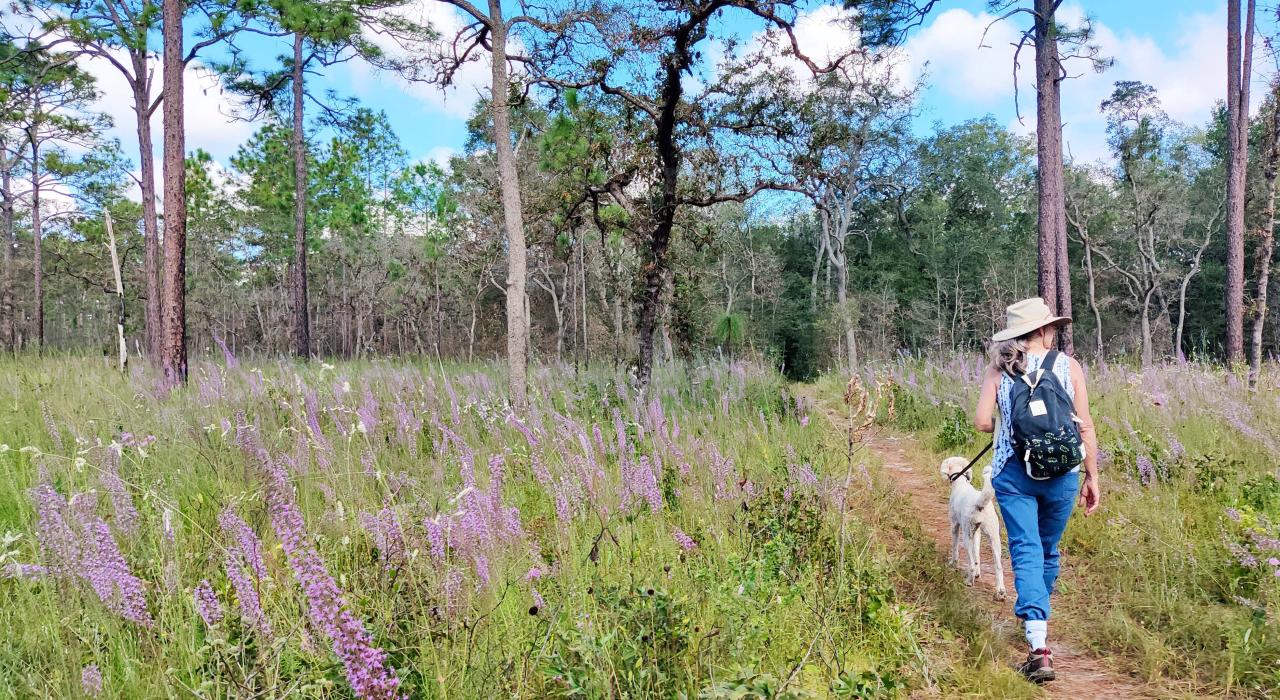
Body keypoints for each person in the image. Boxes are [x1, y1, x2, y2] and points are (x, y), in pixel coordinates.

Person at [973, 297, 1100, 683]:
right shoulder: (1068, 366)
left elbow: (981, 422)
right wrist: (1092, 476)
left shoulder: (999, 369)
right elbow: (1085, 426)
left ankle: (1038, 645)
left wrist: (1009, 421)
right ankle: (1036, 616)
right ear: (1043, 330)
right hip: (1063, 473)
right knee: (1047, 549)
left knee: (1025, 549)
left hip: (1014, 473)